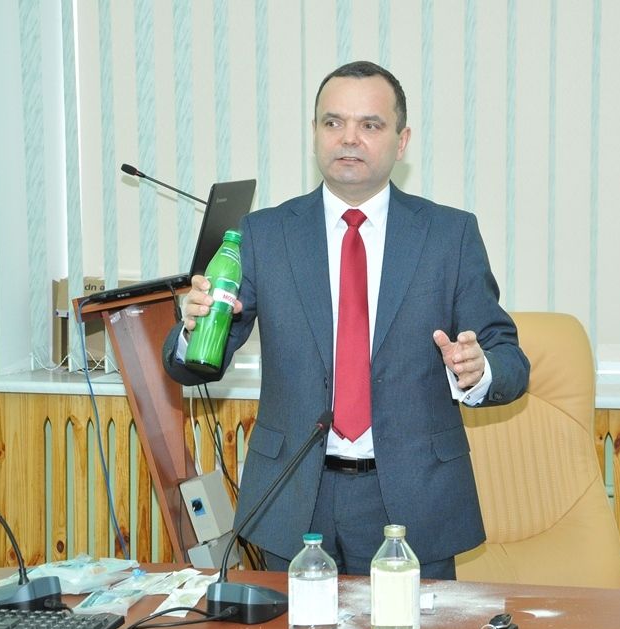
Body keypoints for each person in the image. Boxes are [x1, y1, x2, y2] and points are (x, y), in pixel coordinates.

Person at [163, 61, 529, 580]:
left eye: (370, 125)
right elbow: (196, 366)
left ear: (402, 141)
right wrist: (194, 328)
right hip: (295, 495)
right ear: (315, 133)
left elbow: (510, 358)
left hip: (414, 497)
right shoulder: (267, 234)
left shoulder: (449, 235)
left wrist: (479, 368)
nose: (349, 138)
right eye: (333, 122)